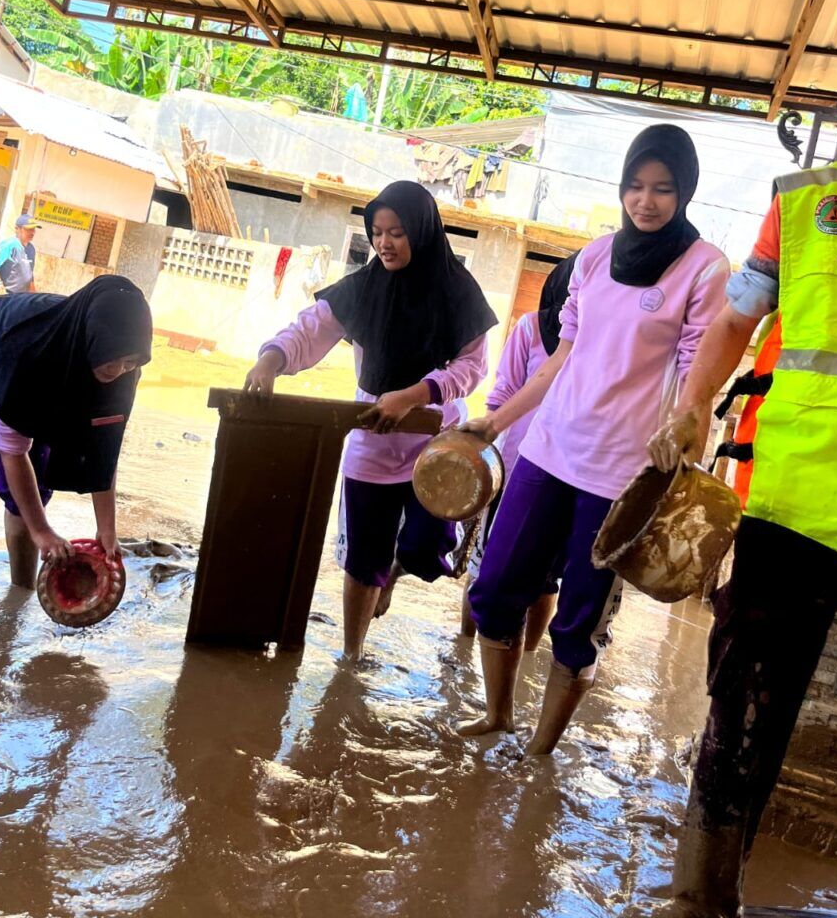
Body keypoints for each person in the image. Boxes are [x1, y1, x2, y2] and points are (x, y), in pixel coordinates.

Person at [615, 145, 837, 918]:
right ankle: (702, 901)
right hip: (792, 504)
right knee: (738, 706)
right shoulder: (810, 202)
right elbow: (735, 319)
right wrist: (692, 409)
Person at [458, 125, 728, 750]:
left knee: (579, 622)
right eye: (635, 185)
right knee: (494, 589)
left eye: (663, 189)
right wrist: (495, 423)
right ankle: (498, 716)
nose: (646, 201)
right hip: (548, 451)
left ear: (685, 191)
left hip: (621, 476)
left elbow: (698, 374)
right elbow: (561, 359)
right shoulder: (594, 257)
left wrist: (686, 432)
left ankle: (540, 750)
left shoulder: (705, 267)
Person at [244, 180, 496, 661]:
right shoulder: (363, 288)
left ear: (421, 231)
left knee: (425, 548)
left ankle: (397, 570)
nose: (384, 243)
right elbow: (310, 328)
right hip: (374, 437)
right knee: (363, 559)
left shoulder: (458, 291)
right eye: (377, 233)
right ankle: (351, 656)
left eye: (397, 233)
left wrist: (415, 395)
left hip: (436, 442)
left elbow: (472, 368)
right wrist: (271, 359)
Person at [0, 275, 152, 620]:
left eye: (130, 362)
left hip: (38, 377)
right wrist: (42, 531)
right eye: (111, 358)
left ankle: (20, 596)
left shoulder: (123, 371)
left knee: (36, 489)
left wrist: (107, 528)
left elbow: (104, 451)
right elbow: (13, 451)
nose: (118, 370)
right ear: (91, 340)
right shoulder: (32, 357)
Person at [460, 253, 579, 647]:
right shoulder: (530, 328)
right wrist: (486, 447)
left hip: (567, 475)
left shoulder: (598, 344)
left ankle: (526, 655)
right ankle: (463, 649)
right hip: (514, 470)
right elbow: (503, 392)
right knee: (485, 568)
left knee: (546, 580)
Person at [0, 215, 40, 295]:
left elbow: (29, 276)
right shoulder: (9, 245)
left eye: (33, 229)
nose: (32, 232)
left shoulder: (31, 249)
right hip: (5, 295)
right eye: (28, 229)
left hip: (20, 297)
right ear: (17, 229)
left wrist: (34, 297)